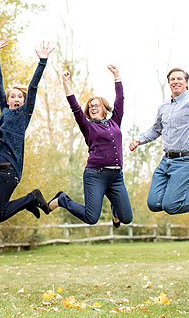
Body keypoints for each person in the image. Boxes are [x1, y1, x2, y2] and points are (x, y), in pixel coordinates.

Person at [129, 67, 189, 223]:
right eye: (172, 79)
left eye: (179, 79)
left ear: (186, 83)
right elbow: (156, 130)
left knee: (171, 205)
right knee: (154, 204)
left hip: (187, 161)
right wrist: (139, 140)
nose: (175, 81)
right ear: (169, 84)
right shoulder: (164, 107)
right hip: (166, 161)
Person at [45, 65, 133, 228]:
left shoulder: (115, 121)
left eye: (96, 105)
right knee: (91, 218)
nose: (93, 107)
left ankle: (115, 209)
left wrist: (117, 76)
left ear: (105, 108)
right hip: (95, 175)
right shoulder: (88, 126)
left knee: (126, 218)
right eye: (90, 106)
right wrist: (66, 83)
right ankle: (63, 200)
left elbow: (120, 99)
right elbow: (75, 107)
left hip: (116, 176)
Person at [0, 39, 54, 223]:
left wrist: (42, 61)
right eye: (12, 96)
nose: (16, 98)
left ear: (23, 100)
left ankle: (32, 198)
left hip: (9, 170)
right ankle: (28, 202)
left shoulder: (24, 114)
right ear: (8, 99)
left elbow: (33, 87)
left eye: (20, 96)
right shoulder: (4, 110)